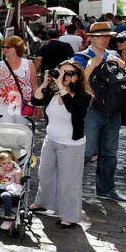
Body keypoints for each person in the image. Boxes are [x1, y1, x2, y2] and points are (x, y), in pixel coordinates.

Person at [71, 22, 126, 202]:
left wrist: (122, 66)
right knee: (86, 151)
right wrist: (91, 66)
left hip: (112, 110)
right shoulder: (80, 58)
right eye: (99, 36)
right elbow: (76, 86)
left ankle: (106, 189)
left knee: (110, 152)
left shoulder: (114, 56)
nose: (104, 39)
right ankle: (69, 186)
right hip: (91, 110)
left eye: (106, 36)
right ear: (90, 38)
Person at [29, 59, 90, 228]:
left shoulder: (83, 97)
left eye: (69, 73)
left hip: (71, 145)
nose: (64, 76)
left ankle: (70, 216)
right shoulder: (54, 92)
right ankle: (43, 202)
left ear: (78, 77)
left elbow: (72, 108)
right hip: (51, 141)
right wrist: (46, 82)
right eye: (61, 71)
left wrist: (62, 87)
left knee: (68, 181)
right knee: (45, 174)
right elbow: (36, 100)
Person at [0, 36, 34, 124]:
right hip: (3, 104)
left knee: (21, 132)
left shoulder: (29, 65)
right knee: (6, 130)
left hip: (24, 104)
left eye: (8, 47)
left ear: (17, 47)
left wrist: (39, 106)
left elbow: (34, 86)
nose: (5, 49)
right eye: (3, 47)